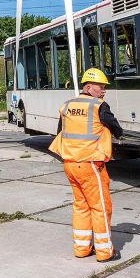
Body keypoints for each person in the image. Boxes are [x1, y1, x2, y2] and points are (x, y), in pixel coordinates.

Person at [49, 67, 124, 261]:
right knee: (100, 207)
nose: (103, 90)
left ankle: (81, 248)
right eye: (101, 87)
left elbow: (60, 132)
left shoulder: (67, 105)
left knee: (81, 206)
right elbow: (115, 126)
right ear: (89, 87)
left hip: (70, 164)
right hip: (90, 163)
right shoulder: (99, 106)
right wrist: (119, 134)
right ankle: (104, 252)